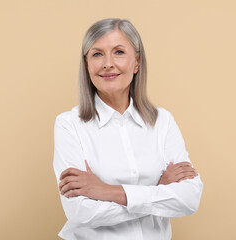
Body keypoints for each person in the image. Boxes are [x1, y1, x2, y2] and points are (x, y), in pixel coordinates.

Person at [53, 18, 203, 240]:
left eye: (119, 52)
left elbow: (190, 198)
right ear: (86, 65)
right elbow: (80, 212)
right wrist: (157, 192)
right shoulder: (69, 125)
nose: (108, 63)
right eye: (97, 54)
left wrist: (105, 192)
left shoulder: (163, 121)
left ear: (137, 62)